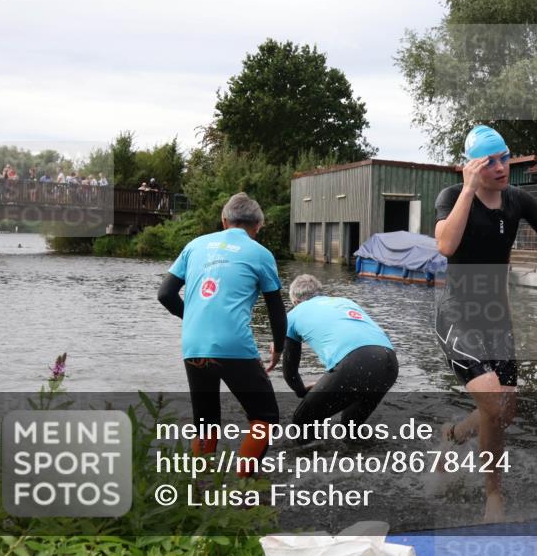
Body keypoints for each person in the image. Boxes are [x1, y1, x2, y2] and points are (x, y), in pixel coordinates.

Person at [433, 125, 537, 522]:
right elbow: (446, 244)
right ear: (472, 167)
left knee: (504, 411)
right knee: (494, 402)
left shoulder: (518, 200)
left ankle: (454, 434)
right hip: (458, 317)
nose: (502, 168)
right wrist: (466, 190)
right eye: (491, 162)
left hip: (496, 320)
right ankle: (493, 497)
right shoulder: (452, 197)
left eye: (505, 157)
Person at [157, 192, 288, 476]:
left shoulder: (194, 245)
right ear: (258, 226)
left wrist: (190, 317)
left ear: (224, 220)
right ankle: (243, 489)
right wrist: (279, 348)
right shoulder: (260, 253)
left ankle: (200, 489)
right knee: (264, 417)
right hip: (233, 345)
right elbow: (277, 311)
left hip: (193, 344)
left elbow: (165, 294)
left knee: (205, 421)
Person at [282, 275, 398, 439]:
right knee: (351, 427)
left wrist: (301, 391)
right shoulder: (345, 302)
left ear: (295, 302)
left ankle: (310, 461)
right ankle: (365, 458)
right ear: (319, 293)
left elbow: (290, 372)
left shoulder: (292, 315)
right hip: (389, 362)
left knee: (303, 421)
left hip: (357, 361)